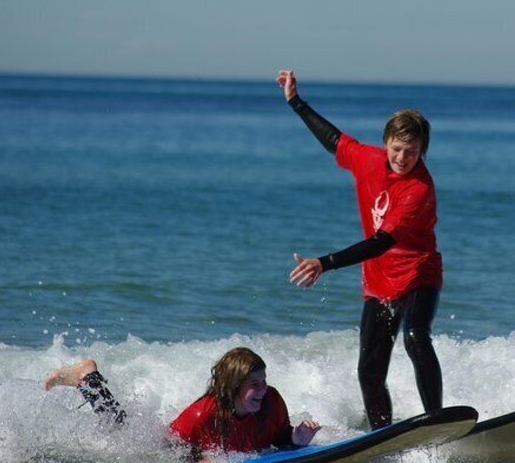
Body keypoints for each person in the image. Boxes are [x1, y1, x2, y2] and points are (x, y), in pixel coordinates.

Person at [276, 69, 444, 430]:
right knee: (369, 371)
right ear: (386, 143)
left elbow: (382, 241)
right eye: (397, 149)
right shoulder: (368, 160)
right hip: (379, 281)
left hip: (418, 273)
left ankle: (437, 421)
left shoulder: (418, 190)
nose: (403, 157)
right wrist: (295, 102)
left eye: (412, 152)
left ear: (422, 152)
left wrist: (326, 262)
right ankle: (381, 435)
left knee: (416, 338)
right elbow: (333, 139)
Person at [44, 347, 320, 458]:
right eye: (254, 385)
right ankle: (87, 376)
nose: (263, 389)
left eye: (264, 381)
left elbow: (279, 437)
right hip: (160, 447)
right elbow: (169, 454)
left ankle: (86, 376)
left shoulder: (271, 400)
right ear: (233, 388)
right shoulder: (202, 414)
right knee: (118, 428)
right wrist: (201, 460)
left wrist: (297, 437)